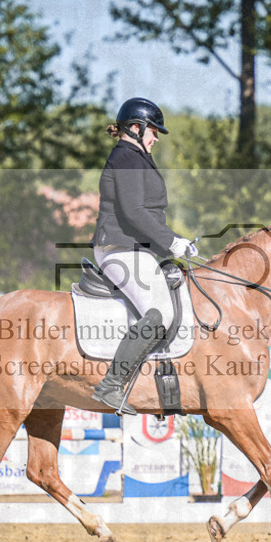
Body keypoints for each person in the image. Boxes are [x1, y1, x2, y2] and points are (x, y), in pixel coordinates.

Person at [90, 97, 196, 415]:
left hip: (137, 248)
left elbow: (148, 215)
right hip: (118, 248)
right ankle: (110, 385)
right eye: (153, 130)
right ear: (136, 128)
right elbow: (134, 212)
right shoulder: (126, 157)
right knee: (159, 312)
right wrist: (171, 241)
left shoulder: (136, 156)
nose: (156, 137)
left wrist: (176, 245)